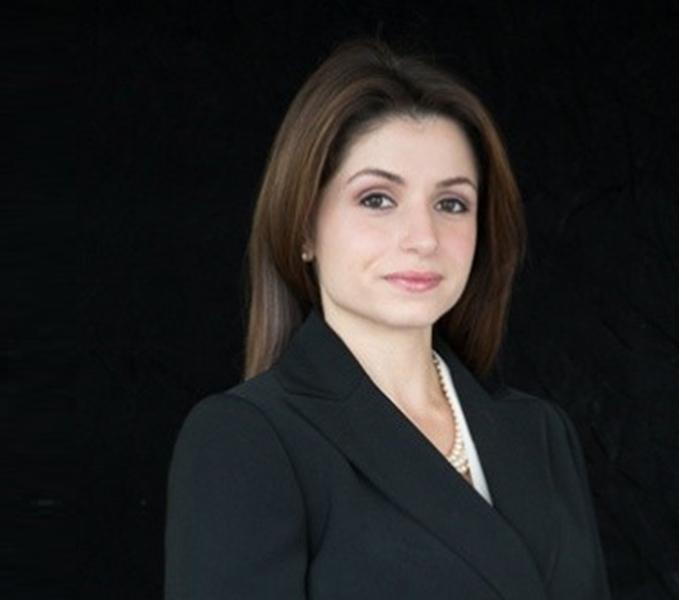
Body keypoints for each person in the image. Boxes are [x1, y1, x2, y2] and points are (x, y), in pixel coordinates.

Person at [164, 36, 611, 600]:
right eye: (377, 199)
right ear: (303, 228)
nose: (423, 238)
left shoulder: (541, 434)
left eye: (451, 204)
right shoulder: (247, 439)